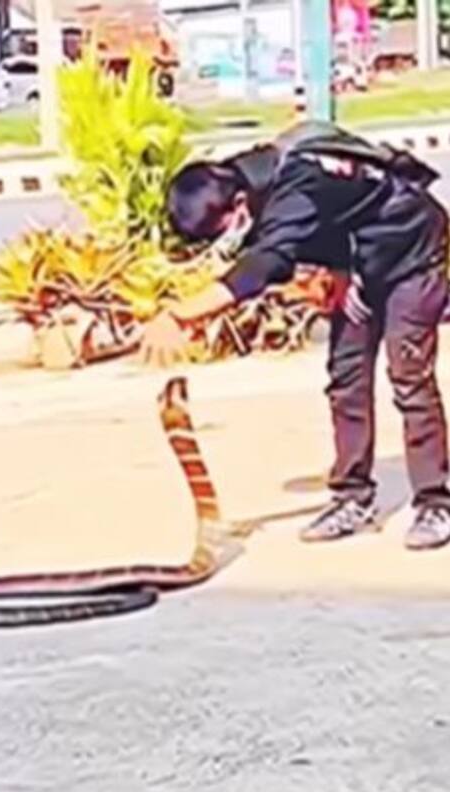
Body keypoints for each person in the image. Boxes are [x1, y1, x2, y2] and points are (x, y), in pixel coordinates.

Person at [142, 121, 450, 551]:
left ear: (237, 203)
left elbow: (266, 262)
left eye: (222, 230)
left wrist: (179, 314)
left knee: (409, 376)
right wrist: (336, 270)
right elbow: (320, 226)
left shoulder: (296, 185)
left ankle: (435, 502)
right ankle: (352, 497)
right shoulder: (243, 177)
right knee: (346, 379)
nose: (223, 241)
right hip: (360, 261)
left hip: (412, 253)